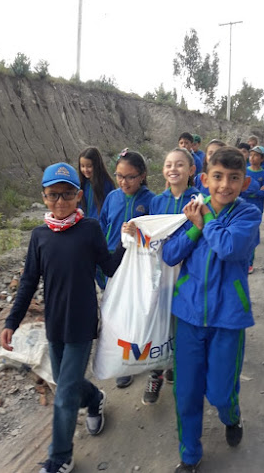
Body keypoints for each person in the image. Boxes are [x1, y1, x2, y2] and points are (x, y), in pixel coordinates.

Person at [0, 162, 126, 473]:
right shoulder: (39, 236)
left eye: (67, 195)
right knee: (66, 384)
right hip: (54, 323)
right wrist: (11, 322)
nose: (60, 203)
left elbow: (109, 267)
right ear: (44, 197)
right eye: (53, 195)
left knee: (64, 394)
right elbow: (29, 281)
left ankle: (60, 457)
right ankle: (95, 398)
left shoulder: (90, 229)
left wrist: (128, 241)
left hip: (82, 323)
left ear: (78, 196)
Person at [162, 146, 262, 473]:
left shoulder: (247, 215)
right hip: (189, 316)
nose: (224, 185)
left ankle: (230, 415)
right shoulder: (192, 210)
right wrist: (193, 225)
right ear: (204, 179)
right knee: (187, 393)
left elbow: (229, 247)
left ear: (244, 183)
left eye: (234, 178)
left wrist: (205, 220)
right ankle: (189, 456)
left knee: (219, 391)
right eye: (217, 177)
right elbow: (170, 254)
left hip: (228, 318)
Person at [142, 148, 200, 405]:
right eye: (168, 165)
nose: (173, 169)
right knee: (159, 322)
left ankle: (175, 364)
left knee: (179, 324)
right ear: (163, 170)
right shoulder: (157, 201)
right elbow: (152, 235)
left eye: (179, 164)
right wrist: (134, 229)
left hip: (188, 274)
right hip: (161, 275)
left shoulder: (199, 201)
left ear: (192, 170)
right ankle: (156, 373)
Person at [100, 148, 155, 389]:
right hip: (113, 263)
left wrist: (139, 234)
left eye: (130, 176)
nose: (124, 181)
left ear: (142, 175)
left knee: (134, 311)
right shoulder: (113, 197)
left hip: (138, 266)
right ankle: (121, 354)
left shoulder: (152, 201)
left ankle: (132, 359)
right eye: (119, 176)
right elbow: (103, 225)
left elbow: (157, 237)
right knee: (114, 311)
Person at [242, 146, 264, 274]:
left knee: (252, 236)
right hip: (241, 208)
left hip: (256, 209)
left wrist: (250, 192)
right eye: (251, 155)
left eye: (256, 155)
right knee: (241, 235)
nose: (252, 158)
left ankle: (249, 263)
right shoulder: (243, 172)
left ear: (262, 158)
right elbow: (241, 191)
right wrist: (256, 191)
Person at [78, 146, 115, 219]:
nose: (85, 170)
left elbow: (111, 210)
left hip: (99, 227)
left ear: (97, 165)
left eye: (89, 166)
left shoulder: (106, 185)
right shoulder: (81, 184)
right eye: (82, 166)